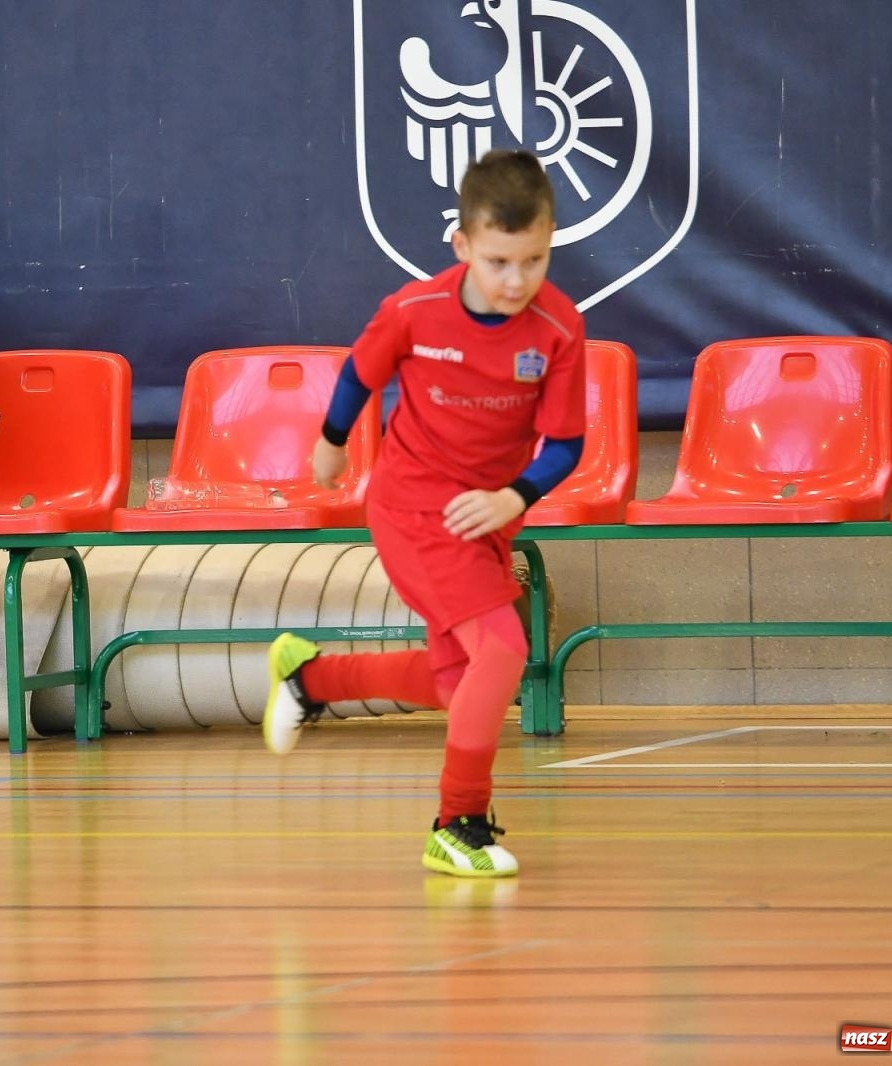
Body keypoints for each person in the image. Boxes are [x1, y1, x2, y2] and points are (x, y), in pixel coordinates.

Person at [261, 150, 587, 879]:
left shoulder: (559, 328)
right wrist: (331, 444)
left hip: (485, 518)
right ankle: (458, 824)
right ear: (463, 245)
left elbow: (567, 444)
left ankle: (310, 678)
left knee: (459, 684)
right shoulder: (415, 310)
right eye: (499, 262)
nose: (516, 281)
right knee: (502, 649)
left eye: (534, 261)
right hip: (410, 504)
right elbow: (360, 371)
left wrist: (513, 498)